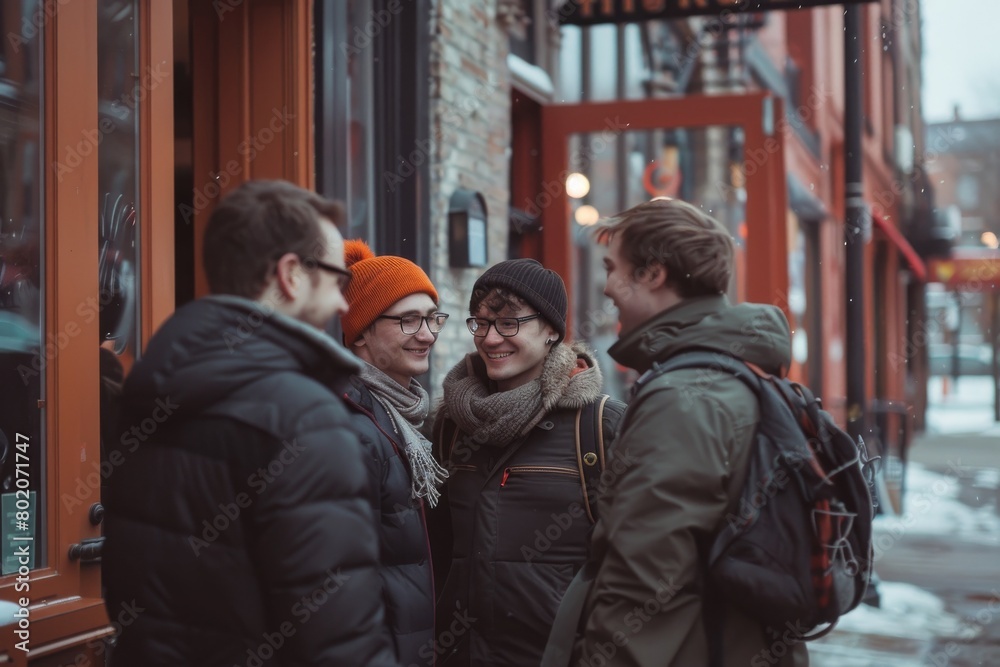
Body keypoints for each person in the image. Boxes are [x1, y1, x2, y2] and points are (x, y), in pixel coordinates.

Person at [102, 180, 398, 667]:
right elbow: (340, 642)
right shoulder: (304, 415)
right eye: (338, 280)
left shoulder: (154, 387)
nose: (345, 305)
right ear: (291, 275)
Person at [543, 197, 806, 667]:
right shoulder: (735, 369)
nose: (606, 288)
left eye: (613, 267)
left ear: (654, 273)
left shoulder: (684, 398)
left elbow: (642, 585)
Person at [430, 258, 626, 667]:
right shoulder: (450, 423)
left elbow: (632, 567)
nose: (490, 338)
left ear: (552, 329)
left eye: (508, 322)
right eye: (480, 323)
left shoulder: (598, 426)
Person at [339, 240, 449, 666]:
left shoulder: (405, 419)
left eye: (431, 318)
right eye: (408, 321)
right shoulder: (353, 423)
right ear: (362, 331)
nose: (427, 334)